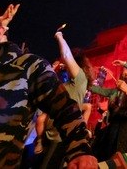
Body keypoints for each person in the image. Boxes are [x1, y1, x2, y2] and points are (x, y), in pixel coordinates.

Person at [0, 5, 97, 168]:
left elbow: (68, 108)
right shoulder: (62, 81)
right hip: (46, 137)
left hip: (57, 140)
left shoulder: (77, 79)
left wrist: (79, 149)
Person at [35, 29, 93, 169]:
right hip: (48, 137)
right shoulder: (64, 84)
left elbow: (66, 55)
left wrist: (59, 36)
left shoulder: (79, 79)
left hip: (59, 138)